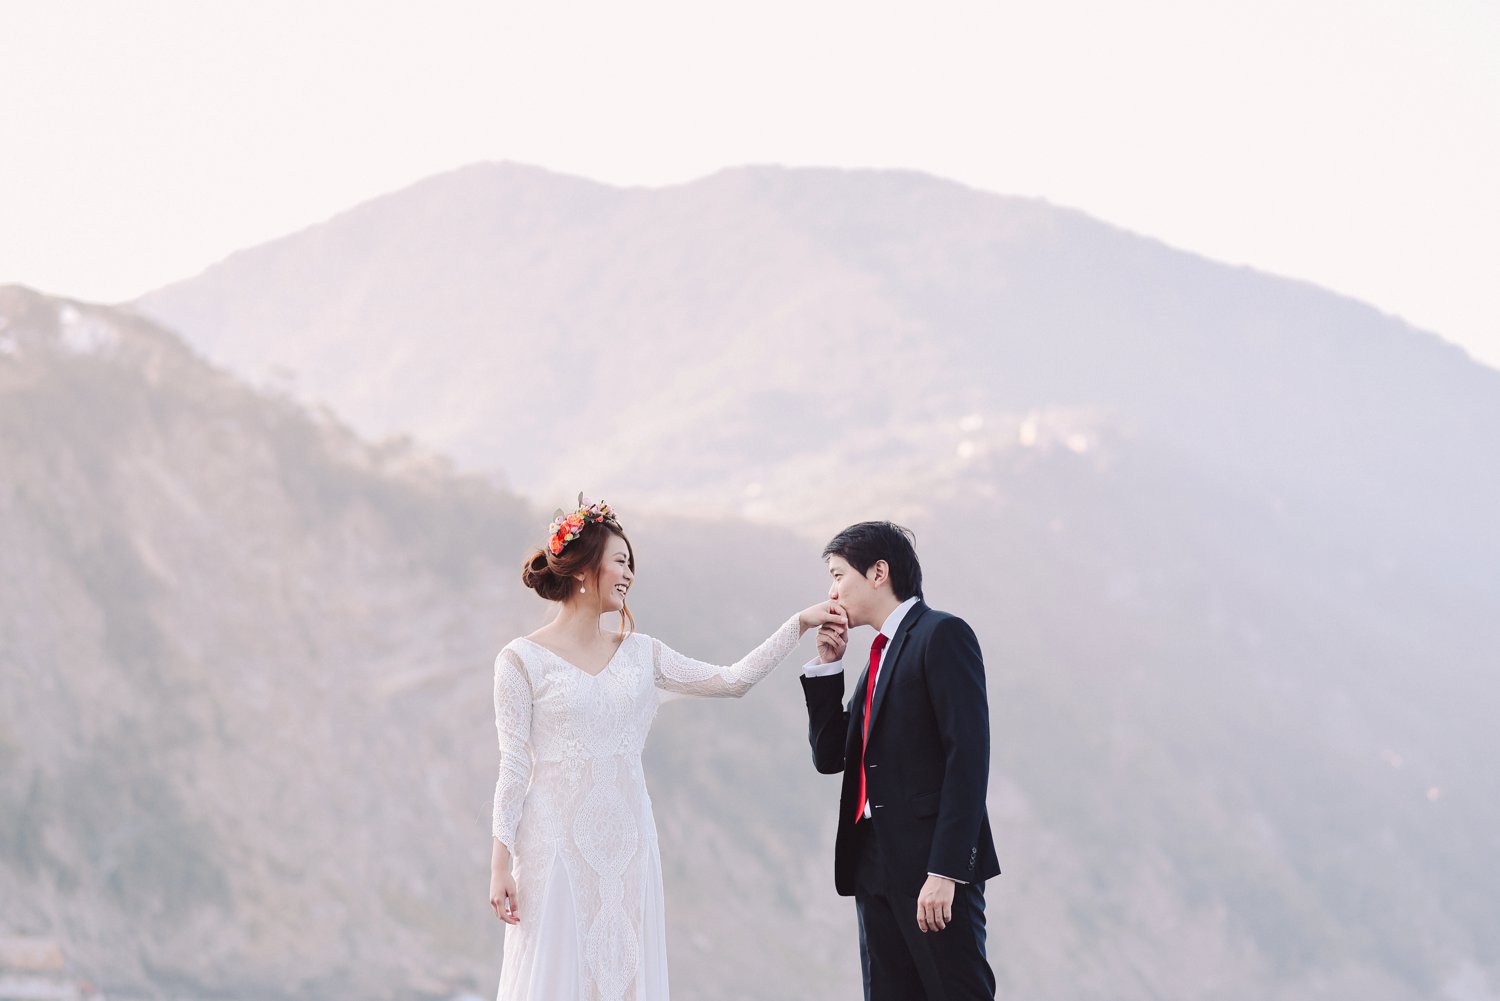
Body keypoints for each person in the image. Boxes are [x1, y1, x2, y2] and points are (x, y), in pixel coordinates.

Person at [488, 496, 846, 1001]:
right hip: (552, 848)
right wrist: (500, 864)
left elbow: (732, 680)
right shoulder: (520, 661)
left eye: (631, 563)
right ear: (583, 569)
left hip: (628, 848)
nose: (629, 573)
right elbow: (514, 765)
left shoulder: (643, 654)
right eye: (620, 560)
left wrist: (799, 624)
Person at [800, 521, 1001, 1001]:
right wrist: (829, 667)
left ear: (878, 572)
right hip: (872, 864)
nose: (831, 590)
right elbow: (831, 758)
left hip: (932, 866)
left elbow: (967, 760)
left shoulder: (942, 634)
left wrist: (946, 871)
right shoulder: (876, 656)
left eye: (837, 574)